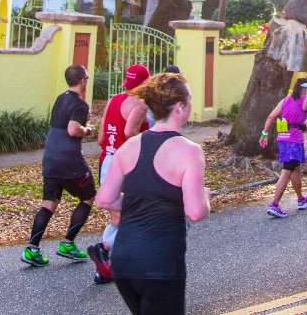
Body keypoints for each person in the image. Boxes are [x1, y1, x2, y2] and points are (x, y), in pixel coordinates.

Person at [96, 73, 211, 314]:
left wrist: (140, 199)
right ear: (179, 107)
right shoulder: (189, 151)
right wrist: (206, 198)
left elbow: (104, 199)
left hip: (124, 262)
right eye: (189, 100)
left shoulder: (129, 146)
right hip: (160, 263)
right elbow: (196, 211)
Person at [23, 65, 96, 266]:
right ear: (82, 81)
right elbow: (73, 130)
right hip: (70, 160)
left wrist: (82, 119)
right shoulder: (80, 104)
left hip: (51, 157)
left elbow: (64, 121)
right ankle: (68, 243)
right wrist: (87, 130)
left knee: (49, 202)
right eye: (87, 78)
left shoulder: (60, 98)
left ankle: (32, 249)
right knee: (88, 197)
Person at [89, 65, 151, 284]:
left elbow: (101, 137)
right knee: (138, 210)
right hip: (125, 164)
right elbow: (129, 132)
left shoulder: (113, 100)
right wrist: (147, 145)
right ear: (145, 83)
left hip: (107, 160)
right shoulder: (141, 104)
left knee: (116, 216)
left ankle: (104, 269)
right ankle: (105, 250)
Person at [261, 78, 307, 217]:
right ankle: (274, 204)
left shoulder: (285, 100)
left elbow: (271, 116)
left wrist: (264, 134)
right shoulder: (306, 101)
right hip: (294, 141)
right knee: (286, 172)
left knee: (296, 169)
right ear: (305, 89)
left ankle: (301, 199)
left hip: (282, 140)